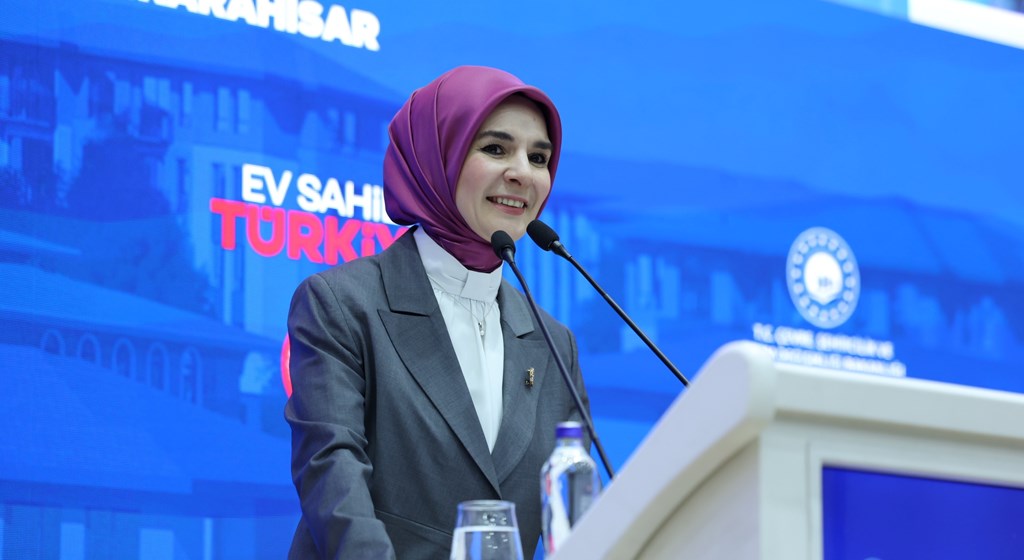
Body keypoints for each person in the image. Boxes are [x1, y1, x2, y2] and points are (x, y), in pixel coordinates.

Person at [284, 66, 590, 560]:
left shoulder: (555, 344)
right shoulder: (341, 305)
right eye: (495, 149)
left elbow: (574, 524)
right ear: (434, 159)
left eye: (539, 157)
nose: (523, 173)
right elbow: (333, 481)